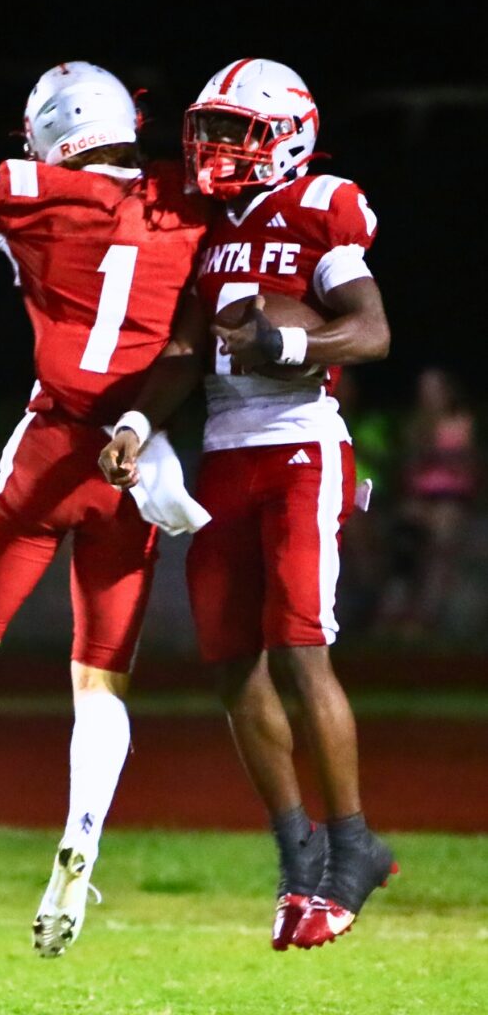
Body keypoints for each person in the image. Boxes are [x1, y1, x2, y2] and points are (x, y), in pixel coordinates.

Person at [0, 60, 210, 957]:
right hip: (133, 460)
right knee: (99, 677)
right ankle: (83, 836)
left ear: (52, 132)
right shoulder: (183, 204)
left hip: (51, 447)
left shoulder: (29, 192)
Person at [99, 57, 397, 951]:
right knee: (231, 661)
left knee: (298, 648)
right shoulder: (211, 228)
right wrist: (131, 424)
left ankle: (351, 848)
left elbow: (370, 330)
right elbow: (189, 352)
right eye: (210, 130)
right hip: (225, 452)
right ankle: (296, 855)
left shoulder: (322, 204)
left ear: (286, 133)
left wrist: (280, 340)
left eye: (233, 131)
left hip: (302, 442)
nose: (216, 148)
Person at [375, 366, 480, 638]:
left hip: (451, 496)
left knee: (439, 547)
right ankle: (393, 612)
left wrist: (438, 454)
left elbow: (464, 464)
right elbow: (408, 463)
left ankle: (425, 616)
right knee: (405, 544)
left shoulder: (461, 421)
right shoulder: (414, 423)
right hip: (419, 496)